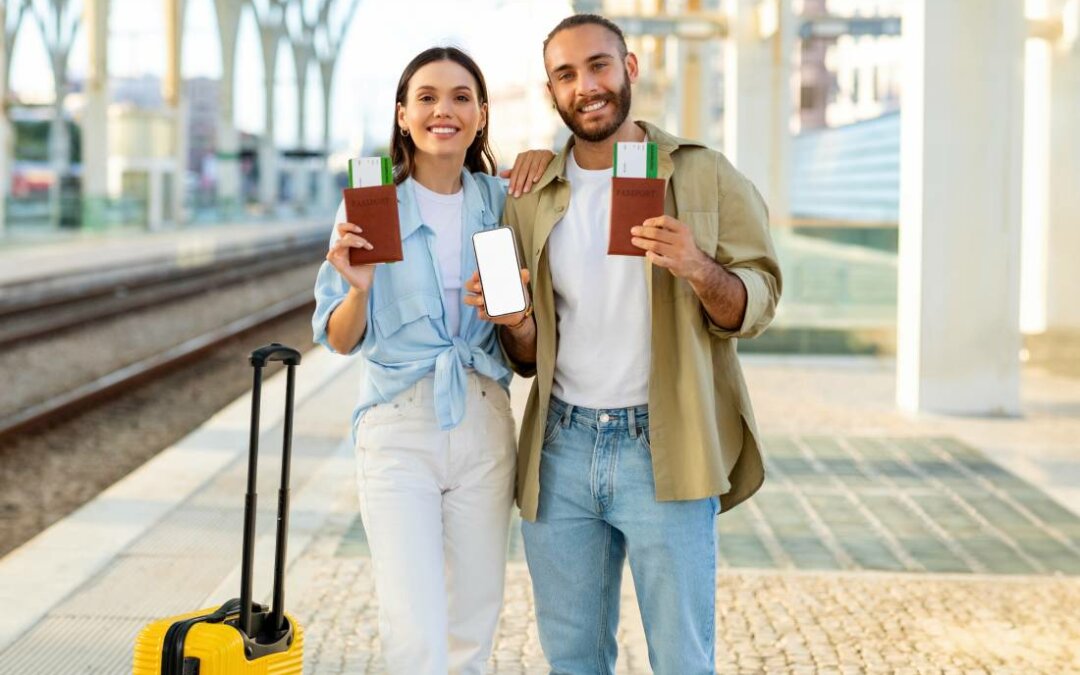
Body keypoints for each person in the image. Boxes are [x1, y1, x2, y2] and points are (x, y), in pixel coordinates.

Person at [465, 14, 782, 675]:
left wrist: (700, 267)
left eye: (599, 66)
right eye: (566, 74)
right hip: (561, 450)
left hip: (665, 447)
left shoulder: (703, 174)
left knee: (683, 660)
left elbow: (760, 297)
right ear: (551, 90)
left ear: (630, 68)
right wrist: (515, 321)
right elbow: (524, 356)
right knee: (574, 659)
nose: (587, 86)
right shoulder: (528, 194)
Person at [312, 46, 551, 674]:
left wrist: (547, 159)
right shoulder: (370, 205)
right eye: (426, 97)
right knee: (413, 626)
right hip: (398, 426)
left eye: (460, 97)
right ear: (402, 114)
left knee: (474, 621)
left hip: (484, 418)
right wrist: (359, 288)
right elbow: (338, 339)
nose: (443, 110)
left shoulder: (506, 201)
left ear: (480, 116)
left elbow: (528, 339)